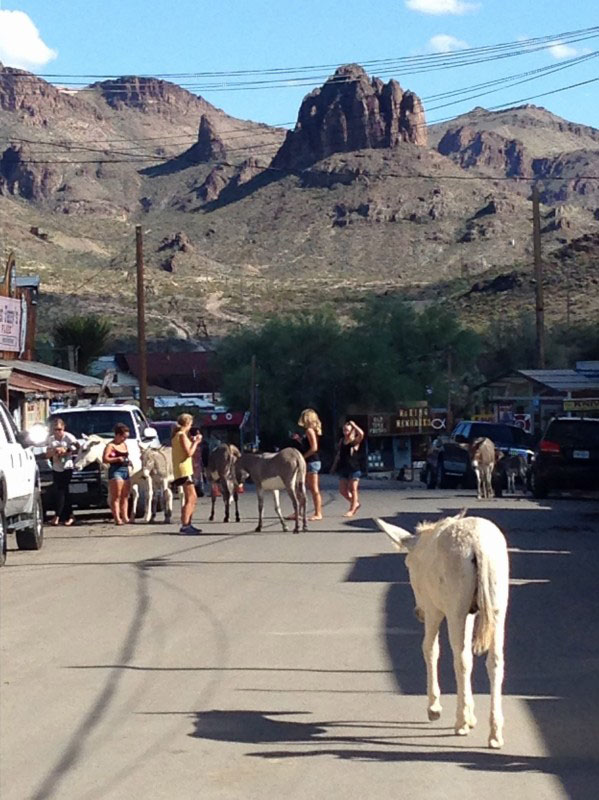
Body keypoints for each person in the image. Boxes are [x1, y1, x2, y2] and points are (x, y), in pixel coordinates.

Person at [172, 414, 203, 535]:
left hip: (183, 469)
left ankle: (188, 523)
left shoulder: (177, 435)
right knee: (191, 497)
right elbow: (189, 453)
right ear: (187, 423)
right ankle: (185, 525)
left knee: (192, 497)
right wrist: (197, 442)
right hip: (184, 470)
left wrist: (193, 440)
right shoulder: (181, 435)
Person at [46, 418, 78, 526]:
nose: (57, 432)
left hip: (67, 467)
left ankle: (58, 516)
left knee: (62, 491)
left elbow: (78, 448)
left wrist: (66, 451)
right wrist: (55, 451)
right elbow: (47, 453)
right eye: (55, 429)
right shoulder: (51, 439)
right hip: (56, 467)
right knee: (61, 492)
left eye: (59, 429)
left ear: (63, 428)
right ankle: (68, 515)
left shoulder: (68, 437)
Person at [331, 419, 365, 517]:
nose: (345, 432)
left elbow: (362, 434)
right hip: (343, 467)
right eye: (344, 430)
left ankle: (352, 509)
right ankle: (355, 503)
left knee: (353, 489)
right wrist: (334, 466)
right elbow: (339, 454)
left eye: (347, 430)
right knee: (342, 490)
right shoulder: (342, 441)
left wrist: (354, 426)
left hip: (354, 468)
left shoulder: (354, 442)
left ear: (351, 430)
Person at [296, 408, 323, 521]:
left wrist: (303, 457)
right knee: (301, 487)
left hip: (311, 461)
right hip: (312, 461)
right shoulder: (312, 431)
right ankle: (299, 511)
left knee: (313, 488)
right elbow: (308, 445)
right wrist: (300, 440)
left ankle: (318, 513)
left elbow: (314, 448)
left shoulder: (309, 431)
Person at [103, 423, 132, 526]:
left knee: (125, 495)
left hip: (125, 470)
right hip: (116, 471)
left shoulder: (124, 445)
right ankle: (117, 518)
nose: (125, 439)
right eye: (123, 437)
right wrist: (116, 459)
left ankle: (125, 517)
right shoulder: (111, 445)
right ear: (118, 435)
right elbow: (105, 459)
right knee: (116, 496)